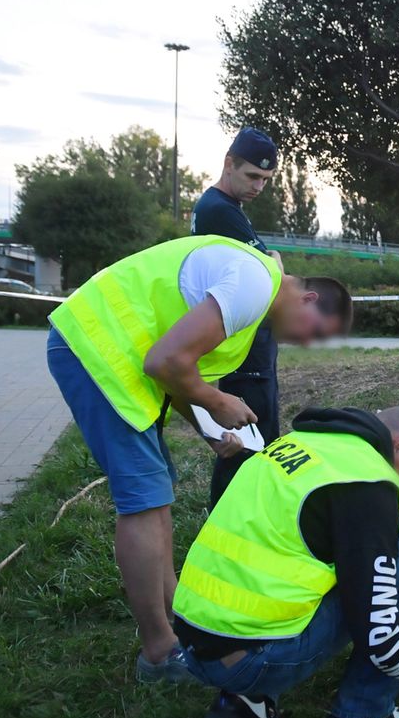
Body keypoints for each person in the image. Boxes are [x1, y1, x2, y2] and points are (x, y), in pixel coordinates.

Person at [46, 234, 351, 684]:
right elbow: (164, 362)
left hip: (113, 357)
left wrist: (210, 431)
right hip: (97, 351)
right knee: (144, 504)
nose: (307, 342)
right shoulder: (252, 286)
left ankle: (180, 626)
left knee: (156, 497)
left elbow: (178, 373)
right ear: (307, 298)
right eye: (315, 331)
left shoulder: (253, 296)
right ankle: (159, 654)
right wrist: (219, 401)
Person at [173, 406, 399, 718]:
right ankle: (364, 715)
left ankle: (246, 702)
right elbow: (382, 642)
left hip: (192, 636)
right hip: (252, 657)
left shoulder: (304, 443)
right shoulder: (367, 485)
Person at [191, 127, 286, 507]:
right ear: (228, 163)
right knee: (248, 444)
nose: (259, 186)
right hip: (246, 351)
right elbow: (273, 271)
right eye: (252, 176)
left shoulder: (224, 209)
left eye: (265, 179)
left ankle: (236, 524)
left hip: (247, 344)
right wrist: (274, 262)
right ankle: (229, 528)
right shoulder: (219, 211)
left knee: (249, 442)